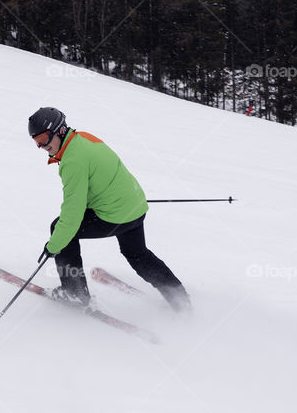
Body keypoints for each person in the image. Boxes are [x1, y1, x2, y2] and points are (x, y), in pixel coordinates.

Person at [28, 107, 191, 313]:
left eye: (43, 139)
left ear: (59, 131)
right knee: (138, 255)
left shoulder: (72, 160)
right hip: (135, 205)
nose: (41, 146)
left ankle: (75, 293)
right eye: (35, 141)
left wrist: (54, 246)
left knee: (61, 230)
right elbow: (103, 174)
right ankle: (179, 298)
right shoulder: (83, 138)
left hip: (114, 216)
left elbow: (72, 213)